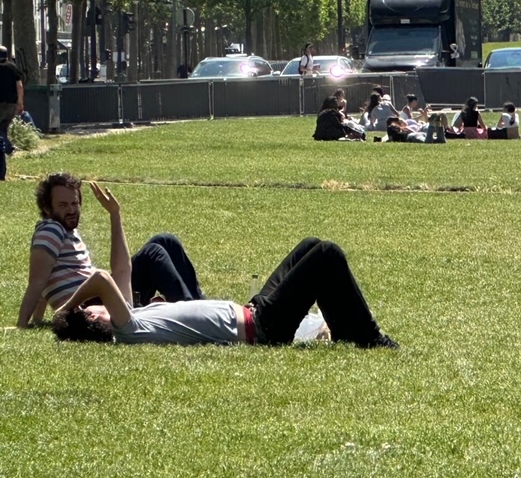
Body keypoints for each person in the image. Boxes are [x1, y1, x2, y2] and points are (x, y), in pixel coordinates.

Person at [52, 236, 397, 349]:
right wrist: (67, 308)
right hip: (262, 327)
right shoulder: (126, 330)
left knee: (310, 246)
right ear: (95, 323)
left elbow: (118, 274)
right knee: (327, 255)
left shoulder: (132, 321)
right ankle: (370, 337)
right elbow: (99, 277)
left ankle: (344, 331)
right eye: (91, 310)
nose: (94, 306)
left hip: (252, 309)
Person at [18, 174, 204, 328]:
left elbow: (46, 278)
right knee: (153, 253)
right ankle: (193, 314)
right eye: (63, 205)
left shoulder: (65, 231)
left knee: (165, 241)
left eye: (74, 203)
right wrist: (22, 324)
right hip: (92, 304)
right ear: (46, 208)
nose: (71, 210)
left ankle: (202, 306)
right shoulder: (51, 229)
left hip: (102, 294)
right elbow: (37, 281)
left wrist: (38, 320)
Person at [0, 44, 24, 181]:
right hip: (11, 104)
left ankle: (7, 147)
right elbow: (19, 86)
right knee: (3, 127)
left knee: (1, 130)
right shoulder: (12, 67)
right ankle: (7, 147)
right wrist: (20, 102)